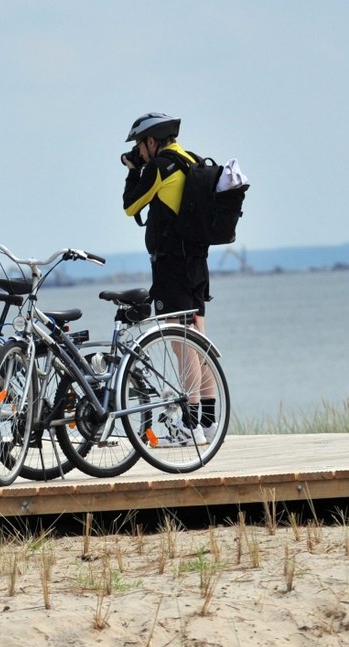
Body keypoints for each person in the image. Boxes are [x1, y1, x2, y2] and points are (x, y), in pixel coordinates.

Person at [121, 112, 216, 447]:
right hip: (197, 263)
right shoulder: (191, 160)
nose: (138, 151)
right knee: (198, 339)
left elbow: (131, 206)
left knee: (180, 343)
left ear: (151, 141)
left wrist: (134, 172)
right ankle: (207, 422)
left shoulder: (160, 167)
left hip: (171, 266)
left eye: (139, 145)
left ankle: (189, 425)